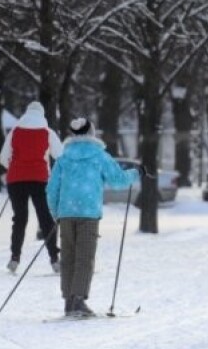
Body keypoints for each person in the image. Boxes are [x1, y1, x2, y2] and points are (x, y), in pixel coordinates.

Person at [46, 117, 141, 317]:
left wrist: (56, 212)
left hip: (67, 213)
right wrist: (135, 173)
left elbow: (52, 188)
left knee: (68, 257)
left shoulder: (63, 157)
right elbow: (117, 179)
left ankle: (68, 301)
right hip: (88, 213)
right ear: (91, 133)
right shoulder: (99, 155)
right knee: (84, 257)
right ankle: (79, 300)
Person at [0, 101, 63, 274]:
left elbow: (3, 158)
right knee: (45, 218)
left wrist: (16, 167)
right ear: (42, 115)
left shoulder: (15, 131)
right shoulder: (47, 132)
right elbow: (60, 155)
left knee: (20, 218)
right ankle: (54, 259)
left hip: (16, 180)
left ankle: (14, 257)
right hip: (39, 179)